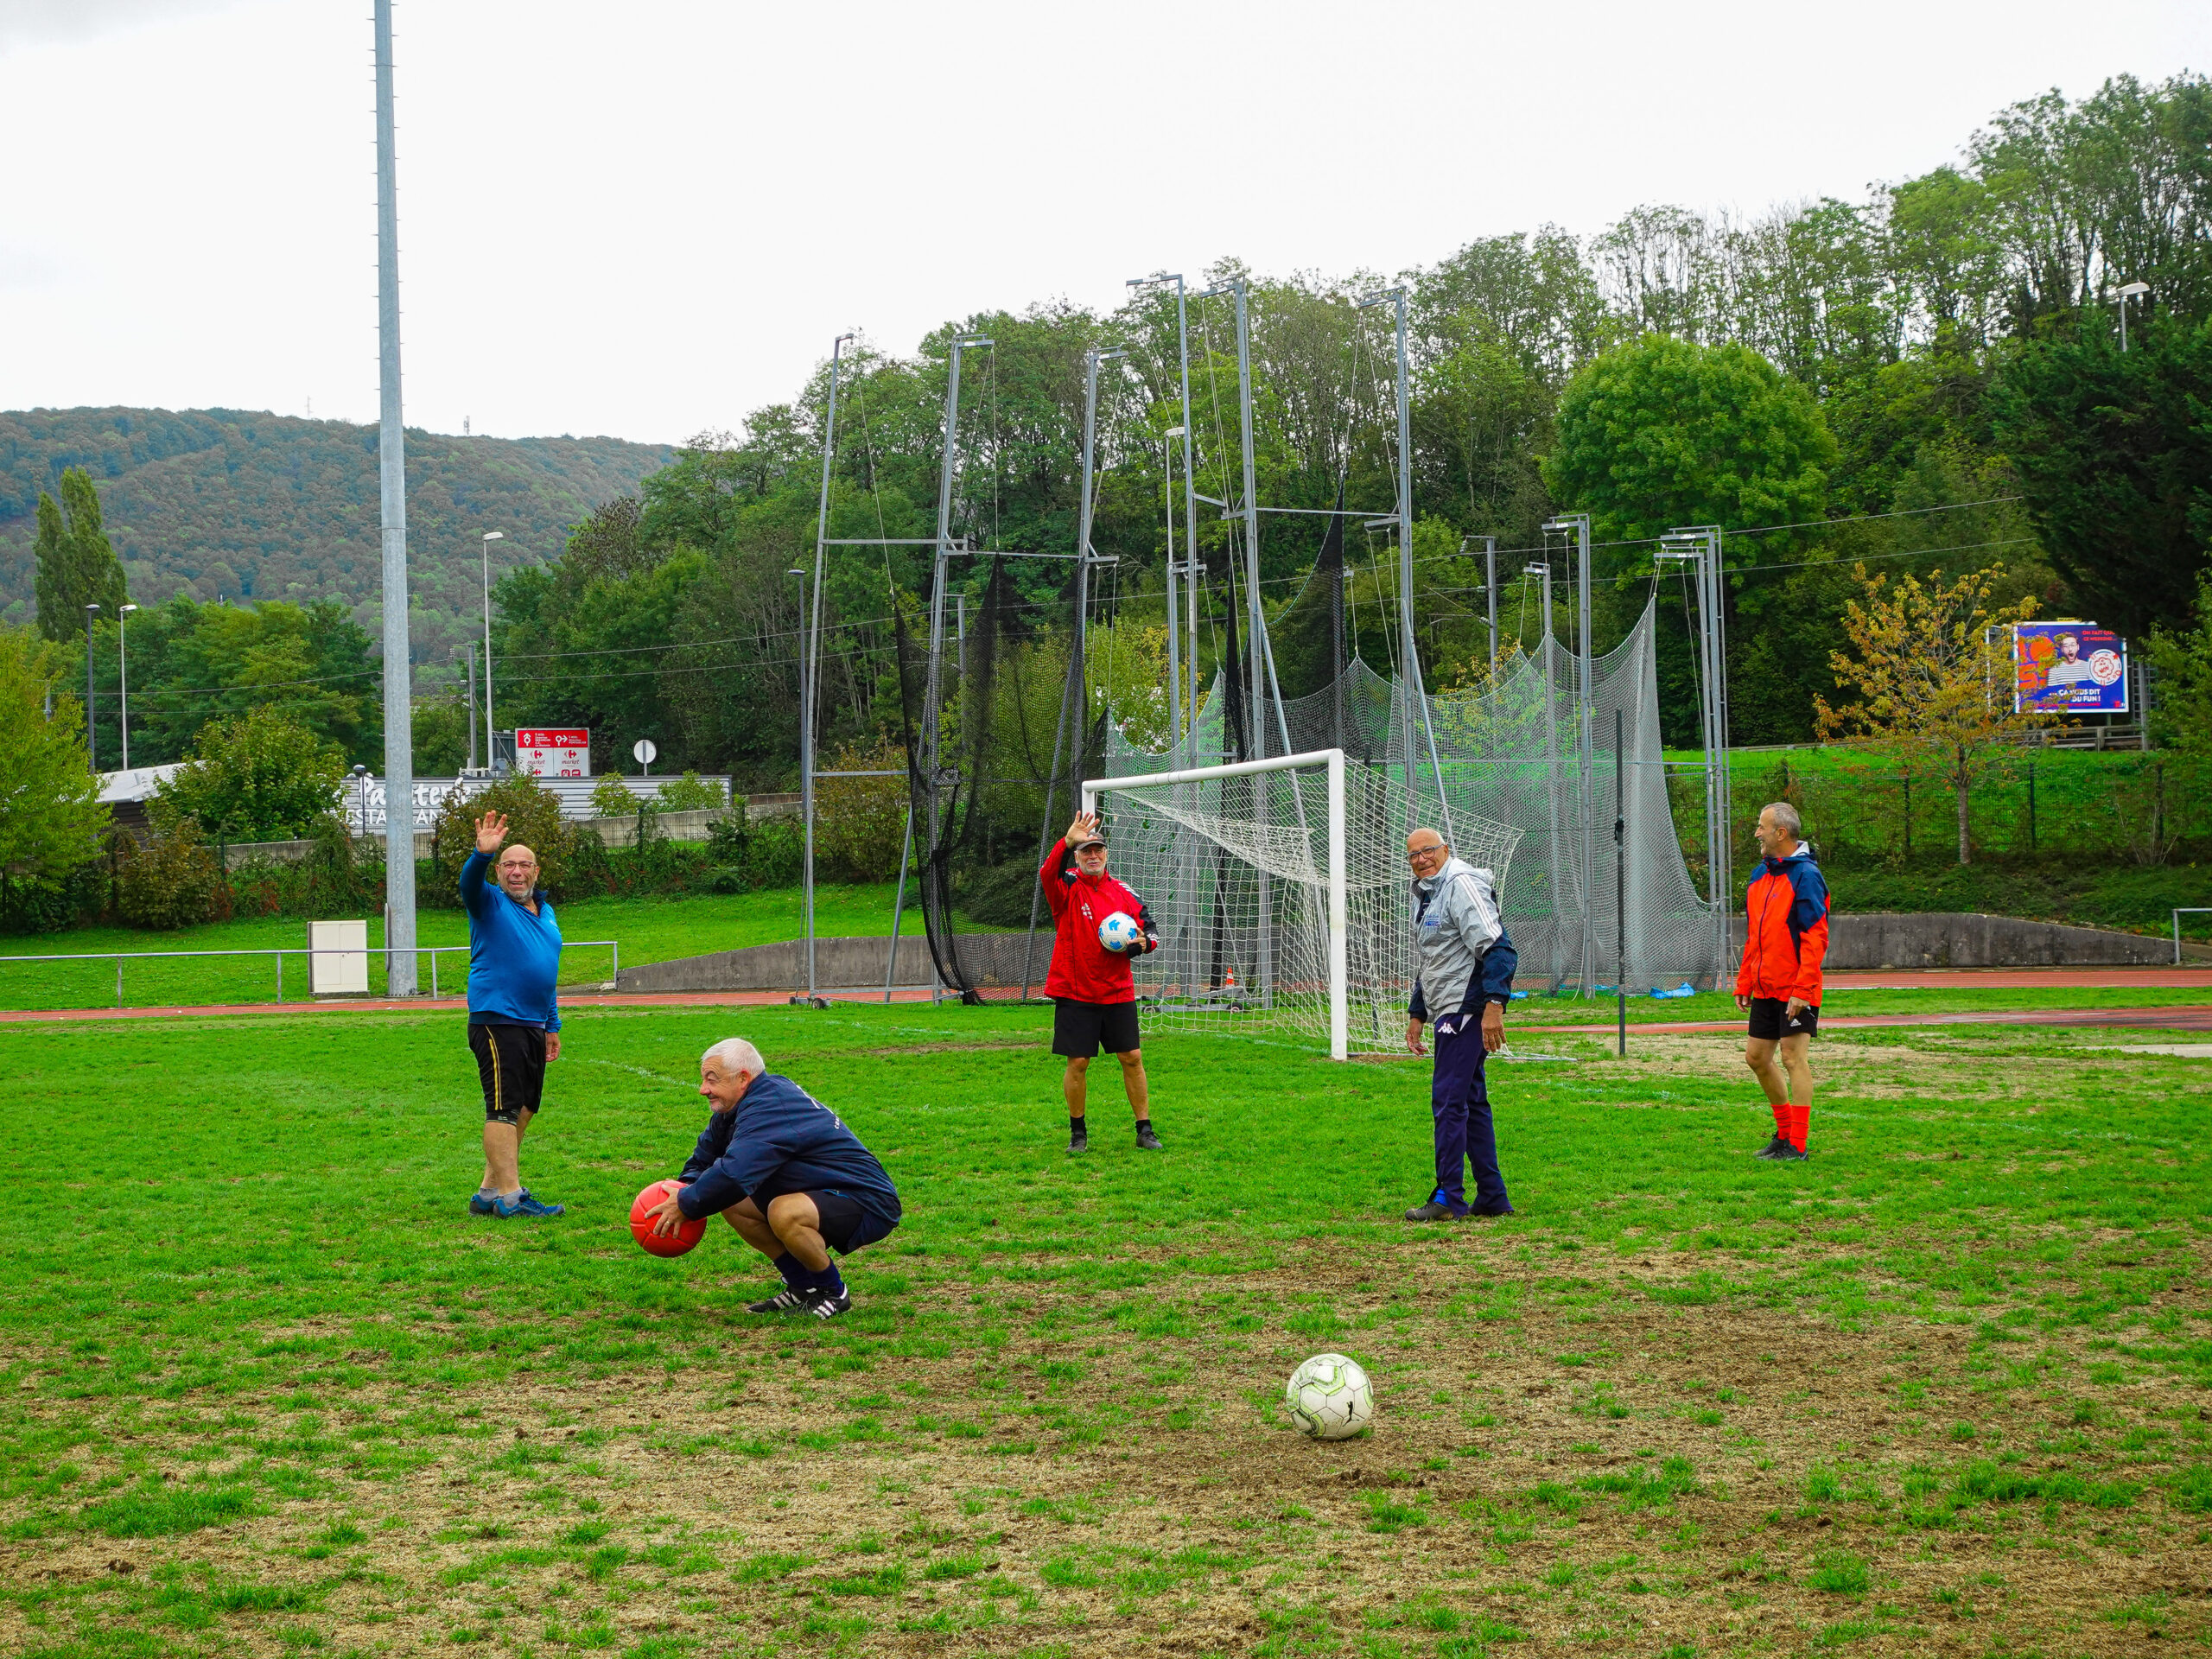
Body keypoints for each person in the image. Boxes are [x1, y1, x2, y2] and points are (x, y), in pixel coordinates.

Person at [640, 1038, 900, 1321]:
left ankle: (833, 1292)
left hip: (867, 1199)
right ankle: (803, 1284)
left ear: (743, 1078)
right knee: (732, 1204)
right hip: (824, 1190)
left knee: (783, 1212)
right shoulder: (741, 1105)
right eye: (703, 1079)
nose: (703, 1089)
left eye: (712, 1080)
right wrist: (682, 1189)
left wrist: (687, 1204)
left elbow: (734, 1174)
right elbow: (705, 1159)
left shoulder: (770, 1105)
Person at [1402, 827, 1518, 1221]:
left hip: (1465, 1009)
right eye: (1414, 855)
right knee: (1471, 1102)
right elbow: (1433, 959)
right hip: (1446, 1009)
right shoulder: (1429, 893)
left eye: (1428, 850)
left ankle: (1449, 1197)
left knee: (1449, 1102)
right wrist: (1417, 1013)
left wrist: (1494, 1005)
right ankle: (1493, 1195)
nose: (1421, 859)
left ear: (1446, 849)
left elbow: (1498, 947)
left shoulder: (1462, 883)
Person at [461, 809, 566, 1218]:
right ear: (500, 872)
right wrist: (481, 855)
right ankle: (511, 1197)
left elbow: (546, 970)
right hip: (496, 1020)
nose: (516, 871)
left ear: (536, 872)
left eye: (524, 865)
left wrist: (552, 1024)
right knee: (502, 1107)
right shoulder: (488, 902)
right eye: (508, 865)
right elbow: (469, 883)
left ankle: (488, 1193)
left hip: (533, 1024)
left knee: (524, 1107)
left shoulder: (547, 912)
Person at [1039, 809, 1162, 1154]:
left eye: (1098, 850)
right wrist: (1065, 841)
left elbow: (1150, 932)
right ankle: (1078, 1134)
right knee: (1078, 1062)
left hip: (1117, 989)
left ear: (1106, 854)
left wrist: (1143, 944)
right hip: (1076, 990)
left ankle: (1145, 1129)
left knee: (1132, 1057)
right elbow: (1047, 872)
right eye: (1085, 851)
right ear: (1077, 857)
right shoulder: (1067, 886)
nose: (1093, 855)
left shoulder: (1124, 892)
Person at [1736, 801, 1829, 1161]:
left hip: (1795, 989)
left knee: (1793, 1059)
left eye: (1762, 827)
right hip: (1765, 986)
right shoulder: (1759, 875)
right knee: (1757, 1057)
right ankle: (1784, 1134)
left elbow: (1815, 936)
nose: (1756, 833)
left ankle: (1799, 1145)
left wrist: (1803, 990)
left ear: (1781, 833)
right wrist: (1745, 981)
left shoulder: (1806, 875)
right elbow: (1754, 936)